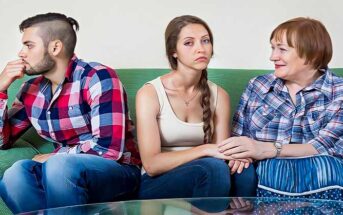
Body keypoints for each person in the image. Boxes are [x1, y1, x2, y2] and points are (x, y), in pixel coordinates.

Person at [0, 12, 141, 213]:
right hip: (60, 176)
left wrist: (55, 156)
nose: (21, 53)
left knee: (60, 167)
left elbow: (109, 149)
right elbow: (2, 141)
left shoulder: (97, 76)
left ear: (55, 47)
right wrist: (0, 90)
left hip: (118, 172)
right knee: (15, 175)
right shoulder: (30, 90)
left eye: (29, 45)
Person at [219, 17, 343, 199]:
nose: (272, 57)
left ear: (313, 55)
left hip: (323, 182)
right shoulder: (258, 86)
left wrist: (265, 149)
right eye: (273, 48)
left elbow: (327, 145)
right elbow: (239, 138)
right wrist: (241, 154)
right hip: (263, 180)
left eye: (282, 49)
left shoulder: (339, 91)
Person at [136, 15, 257, 199]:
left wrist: (236, 156)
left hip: (207, 173)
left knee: (244, 171)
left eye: (205, 41)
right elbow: (152, 165)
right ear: (173, 51)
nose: (200, 49)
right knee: (213, 168)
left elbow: (221, 153)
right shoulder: (150, 93)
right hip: (157, 182)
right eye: (189, 43)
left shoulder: (219, 95)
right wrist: (205, 149)